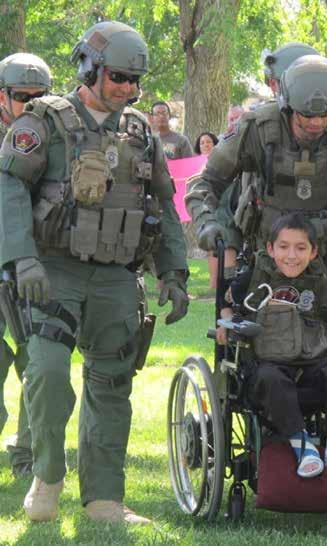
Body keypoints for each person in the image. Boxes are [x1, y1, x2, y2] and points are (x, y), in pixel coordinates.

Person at [186, 54, 327, 493]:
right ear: (287, 103)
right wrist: (209, 223)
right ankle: (273, 447)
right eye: (306, 117)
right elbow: (205, 183)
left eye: (324, 116)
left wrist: (318, 235)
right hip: (268, 263)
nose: (316, 124)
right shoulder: (257, 128)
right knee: (260, 350)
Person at [0, 21, 189, 524]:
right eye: (118, 76)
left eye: (135, 80)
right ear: (89, 68)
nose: (127, 88)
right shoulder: (43, 122)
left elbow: (164, 205)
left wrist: (174, 272)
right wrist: (21, 258)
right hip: (52, 271)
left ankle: (104, 499)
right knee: (46, 372)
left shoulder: (141, 133)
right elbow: (9, 187)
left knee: (112, 384)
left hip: (117, 277)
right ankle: (47, 475)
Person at [218, 213, 327, 482]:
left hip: (311, 363)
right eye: (283, 247)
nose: (291, 256)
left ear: (313, 252)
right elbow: (226, 302)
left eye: (300, 248)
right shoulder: (255, 276)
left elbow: (321, 313)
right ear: (271, 248)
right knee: (270, 378)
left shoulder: (317, 277)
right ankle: (304, 448)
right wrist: (226, 320)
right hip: (268, 368)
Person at [0, 53, 51, 478]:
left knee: (37, 360)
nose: (31, 105)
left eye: (40, 96)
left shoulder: (55, 136)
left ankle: (26, 455)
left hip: (33, 265)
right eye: (22, 97)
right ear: (3, 96)